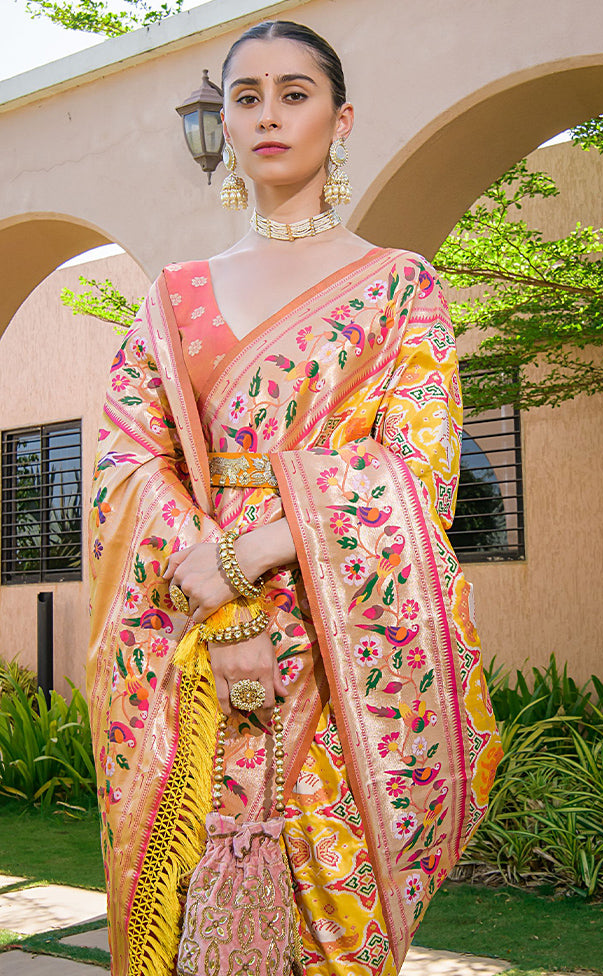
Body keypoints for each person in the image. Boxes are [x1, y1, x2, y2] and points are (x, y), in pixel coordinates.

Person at [87, 19, 502, 976]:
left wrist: (252, 553)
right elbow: (127, 463)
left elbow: (417, 466)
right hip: (189, 643)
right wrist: (218, 599)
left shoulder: (400, 287)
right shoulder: (174, 295)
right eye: (246, 97)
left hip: (340, 644)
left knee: (331, 920)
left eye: (295, 92)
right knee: (194, 901)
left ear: (340, 117)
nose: (268, 115)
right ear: (225, 124)